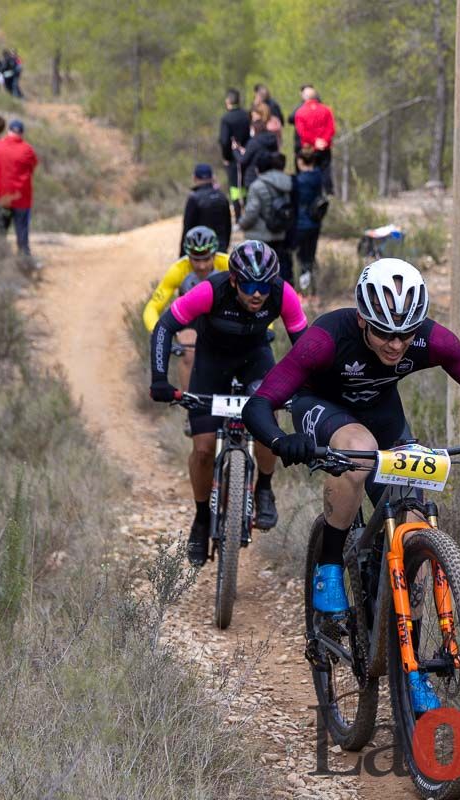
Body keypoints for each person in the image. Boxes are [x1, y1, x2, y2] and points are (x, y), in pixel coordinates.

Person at [241, 259, 460, 708]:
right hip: (321, 407)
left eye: (405, 333)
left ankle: (410, 664)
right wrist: (284, 441)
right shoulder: (326, 340)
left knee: (415, 526)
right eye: (384, 333)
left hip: (385, 415)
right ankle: (327, 569)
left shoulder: (428, 339)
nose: (397, 345)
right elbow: (260, 404)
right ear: (362, 319)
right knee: (358, 451)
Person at [149, 241, 310, 566]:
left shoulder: (283, 293)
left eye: (264, 286)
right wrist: (159, 379)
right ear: (234, 280)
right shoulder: (211, 291)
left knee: (267, 425)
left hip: (255, 359)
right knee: (204, 448)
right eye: (249, 285)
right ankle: (200, 519)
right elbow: (165, 326)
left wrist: (308, 391)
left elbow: (307, 347)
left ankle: (264, 488)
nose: (257, 294)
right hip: (212, 364)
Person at [144, 226, 230, 401]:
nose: (201, 265)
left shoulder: (228, 264)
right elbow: (152, 308)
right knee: (188, 350)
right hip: (193, 320)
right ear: (187, 255)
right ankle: (190, 403)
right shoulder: (178, 270)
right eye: (195, 259)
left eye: (206, 259)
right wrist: (160, 333)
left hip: (223, 316)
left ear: (215, 254)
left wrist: (268, 327)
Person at [239, 151, 294, 284]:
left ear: (258, 168)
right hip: (280, 232)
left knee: (260, 273)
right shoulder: (287, 183)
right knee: (279, 268)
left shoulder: (257, 186)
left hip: (260, 235)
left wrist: (241, 223)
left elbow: (252, 212)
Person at [0, 118, 39, 265]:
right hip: (21, 195)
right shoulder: (27, 149)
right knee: (22, 229)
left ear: (9, 131)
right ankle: (24, 258)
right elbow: (33, 165)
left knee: (1, 227)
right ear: (22, 133)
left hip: (2, 194)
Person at [179, 163, 231, 259]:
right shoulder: (222, 196)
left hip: (201, 254)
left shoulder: (194, 199)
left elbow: (187, 228)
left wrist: (182, 256)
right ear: (212, 177)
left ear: (194, 178)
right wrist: (224, 247)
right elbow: (228, 226)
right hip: (221, 250)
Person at [293, 88, 336, 195]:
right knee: (325, 172)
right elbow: (331, 129)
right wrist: (323, 141)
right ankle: (328, 196)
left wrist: (314, 142)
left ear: (304, 97)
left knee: (309, 173)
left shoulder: (300, 112)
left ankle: (312, 196)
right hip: (324, 148)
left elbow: (302, 132)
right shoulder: (326, 110)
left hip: (309, 150)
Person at [293, 150, 325, 292]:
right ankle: (312, 289)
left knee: (301, 258)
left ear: (300, 162)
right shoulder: (318, 176)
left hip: (302, 223)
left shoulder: (300, 181)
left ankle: (304, 290)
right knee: (310, 256)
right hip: (315, 222)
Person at [219, 88, 251, 222]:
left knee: (235, 188)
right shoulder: (247, 115)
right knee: (246, 185)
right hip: (248, 155)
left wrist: (226, 157)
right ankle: (249, 215)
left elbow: (224, 140)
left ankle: (238, 217)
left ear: (228, 101)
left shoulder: (226, 118)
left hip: (233, 158)